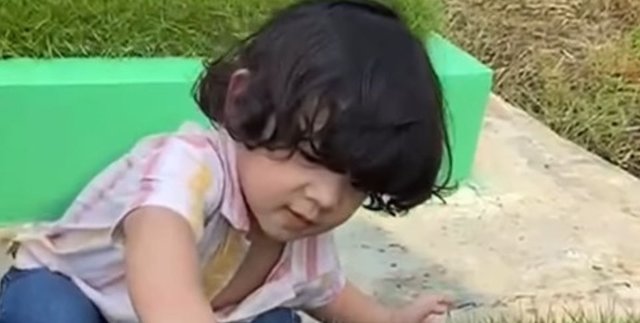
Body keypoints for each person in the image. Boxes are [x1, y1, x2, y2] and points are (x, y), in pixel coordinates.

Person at [0, 0, 454, 322]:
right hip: (79, 295)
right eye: (311, 155)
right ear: (243, 100)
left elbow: (329, 295)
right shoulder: (188, 167)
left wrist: (388, 319)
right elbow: (164, 270)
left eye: (356, 182)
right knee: (50, 311)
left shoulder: (301, 237)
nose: (325, 197)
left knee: (277, 318)